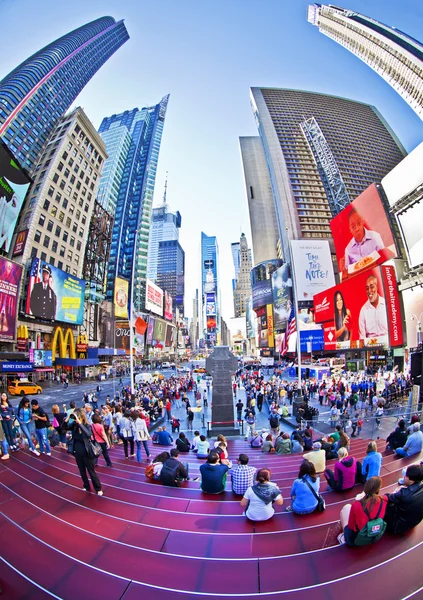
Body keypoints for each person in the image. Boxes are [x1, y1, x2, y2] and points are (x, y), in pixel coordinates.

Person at [65, 408, 103, 495]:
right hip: (77, 452)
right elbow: (63, 428)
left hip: (87, 452)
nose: (75, 419)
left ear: (81, 416)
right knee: (81, 470)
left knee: (91, 471)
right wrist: (67, 419)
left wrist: (80, 424)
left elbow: (88, 434)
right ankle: (86, 485)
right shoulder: (74, 425)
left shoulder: (87, 425)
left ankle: (98, 488)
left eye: (76, 416)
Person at [338, 476, 386, 545]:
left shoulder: (357, 505)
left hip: (356, 540)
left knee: (346, 508)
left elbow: (351, 526)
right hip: (375, 536)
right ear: (378, 489)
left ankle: (343, 538)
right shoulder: (384, 500)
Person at [384, 464, 423, 535]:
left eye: (406, 476)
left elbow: (387, 498)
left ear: (411, 481)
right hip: (415, 521)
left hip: (396, 526)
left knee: (385, 503)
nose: (404, 477)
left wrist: (396, 492)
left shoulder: (403, 493)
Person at [358, 274, 388, 340]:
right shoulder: (363, 310)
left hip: (387, 344)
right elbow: (362, 337)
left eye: (372, 287)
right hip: (371, 346)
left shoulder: (386, 304)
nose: (369, 291)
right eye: (367, 288)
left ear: (377, 287)